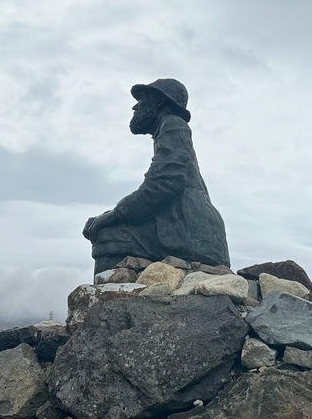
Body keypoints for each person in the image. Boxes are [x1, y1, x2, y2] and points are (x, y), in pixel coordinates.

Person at [83, 78, 230, 275]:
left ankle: (111, 300)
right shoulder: (168, 128)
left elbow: (167, 182)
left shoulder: (173, 125)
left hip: (190, 230)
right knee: (107, 227)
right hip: (185, 225)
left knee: (107, 234)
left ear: (159, 102)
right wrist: (114, 214)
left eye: (142, 99)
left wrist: (117, 214)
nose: (135, 106)